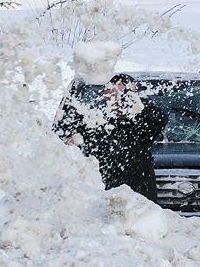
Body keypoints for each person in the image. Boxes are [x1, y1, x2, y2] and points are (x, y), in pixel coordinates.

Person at [54, 73, 168, 201]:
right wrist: (72, 139)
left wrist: (129, 99)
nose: (122, 101)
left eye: (128, 96)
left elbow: (161, 119)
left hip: (139, 200)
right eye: (118, 96)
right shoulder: (98, 123)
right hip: (106, 198)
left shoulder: (142, 126)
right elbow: (66, 131)